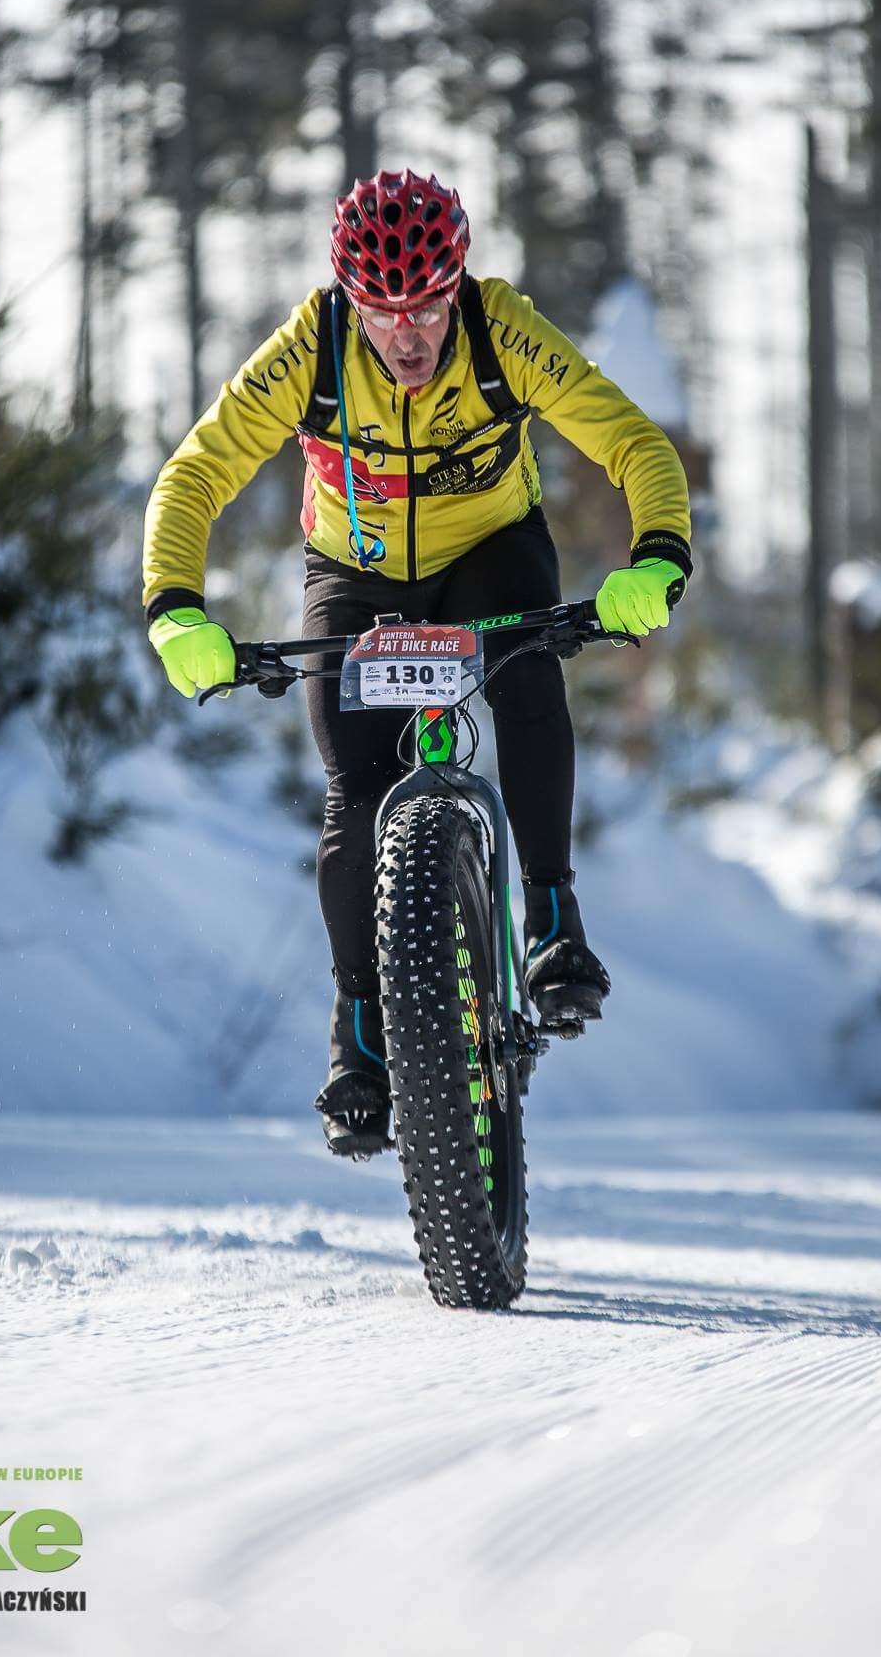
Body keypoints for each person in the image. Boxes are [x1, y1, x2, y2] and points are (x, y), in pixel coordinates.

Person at [143, 168, 692, 1154]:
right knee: (356, 786)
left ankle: (551, 914)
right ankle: (358, 1027)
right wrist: (176, 611)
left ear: (458, 285)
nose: (408, 336)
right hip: (353, 572)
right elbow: (195, 475)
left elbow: (631, 443)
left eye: (429, 307)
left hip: (489, 552)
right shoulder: (309, 349)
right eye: (383, 312)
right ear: (348, 299)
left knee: (527, 672)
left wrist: (654, 559)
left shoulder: (502, 332)